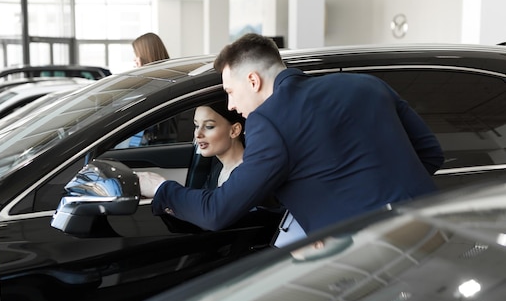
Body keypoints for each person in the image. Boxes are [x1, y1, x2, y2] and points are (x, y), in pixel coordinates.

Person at [138, 33, 444, 238]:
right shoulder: (367, 85)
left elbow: (217, 212)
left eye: (230, 92)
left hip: (372, 256)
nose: (231, 104)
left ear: (253, 81)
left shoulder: (267, 122)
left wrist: (162, 188)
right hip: (437, 230)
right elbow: (431, 153)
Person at [193, 99, 246, 189]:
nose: (198, 134)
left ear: (234, 130)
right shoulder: (219, 168)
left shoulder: (246, 175)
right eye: (197, 126)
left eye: (209, 126)